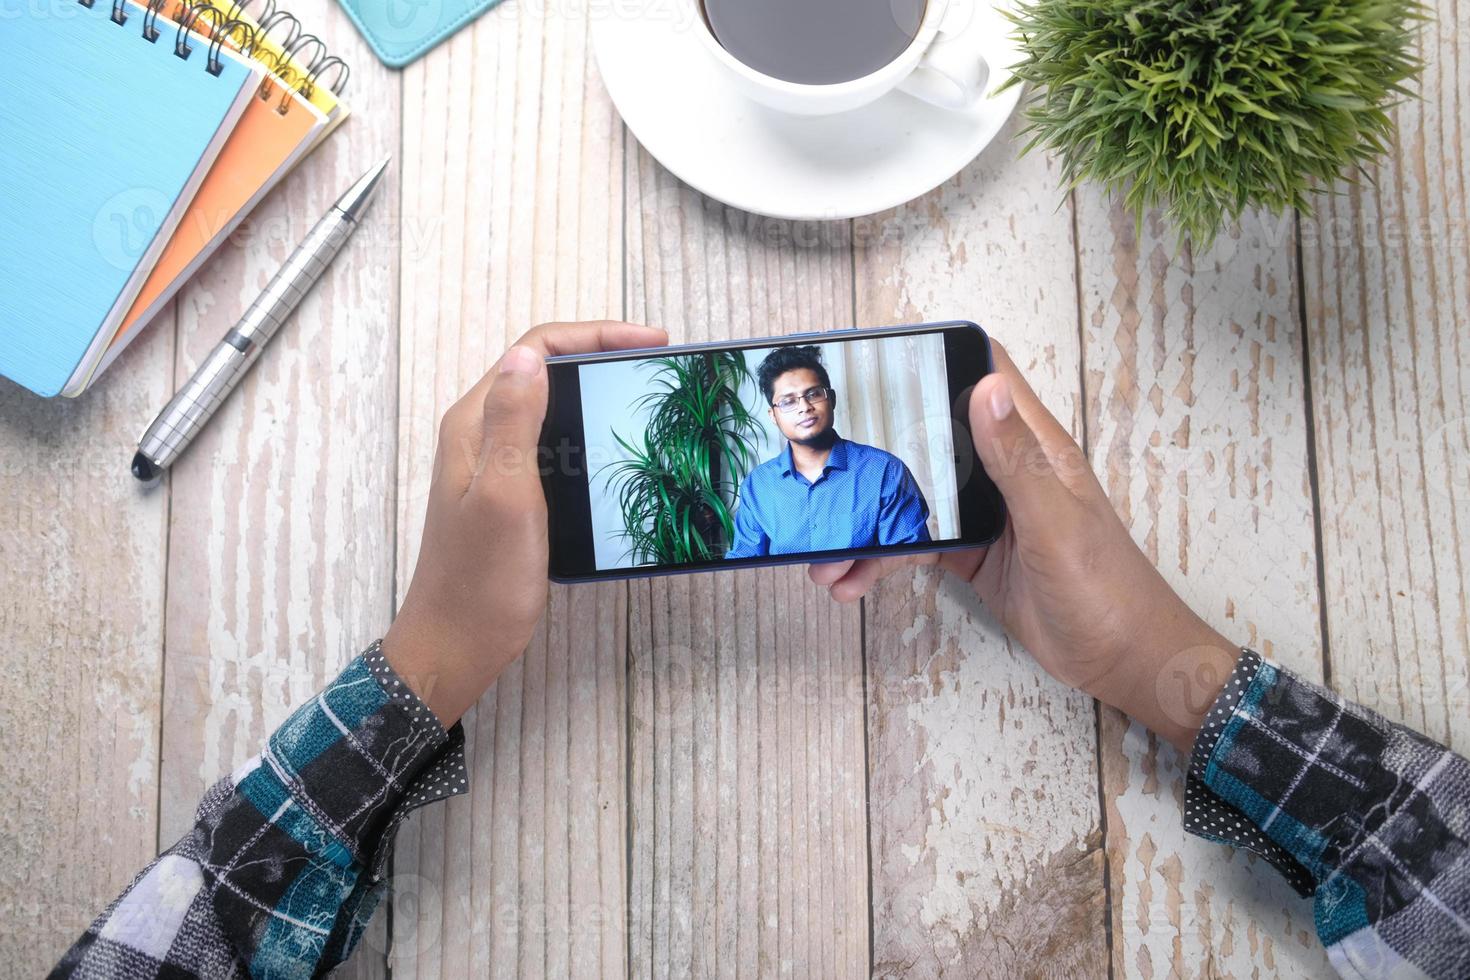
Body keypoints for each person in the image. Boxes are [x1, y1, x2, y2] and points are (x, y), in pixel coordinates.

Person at [51, 321, 1468, 979]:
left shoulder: (889, 485)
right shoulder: (741, 499)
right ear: (770, 407)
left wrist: (421, 671)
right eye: (780, 393)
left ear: (826, 401)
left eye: (806, 391)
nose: (793, 406)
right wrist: (1168, 668)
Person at [725, 344, 932, 558]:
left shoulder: (886, 471)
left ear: (831, 399)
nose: (804, 407)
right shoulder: (758, 485)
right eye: (788, 402)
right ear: (773, 416)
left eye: (813, 394)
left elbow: (911, 563)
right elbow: (743, 565)